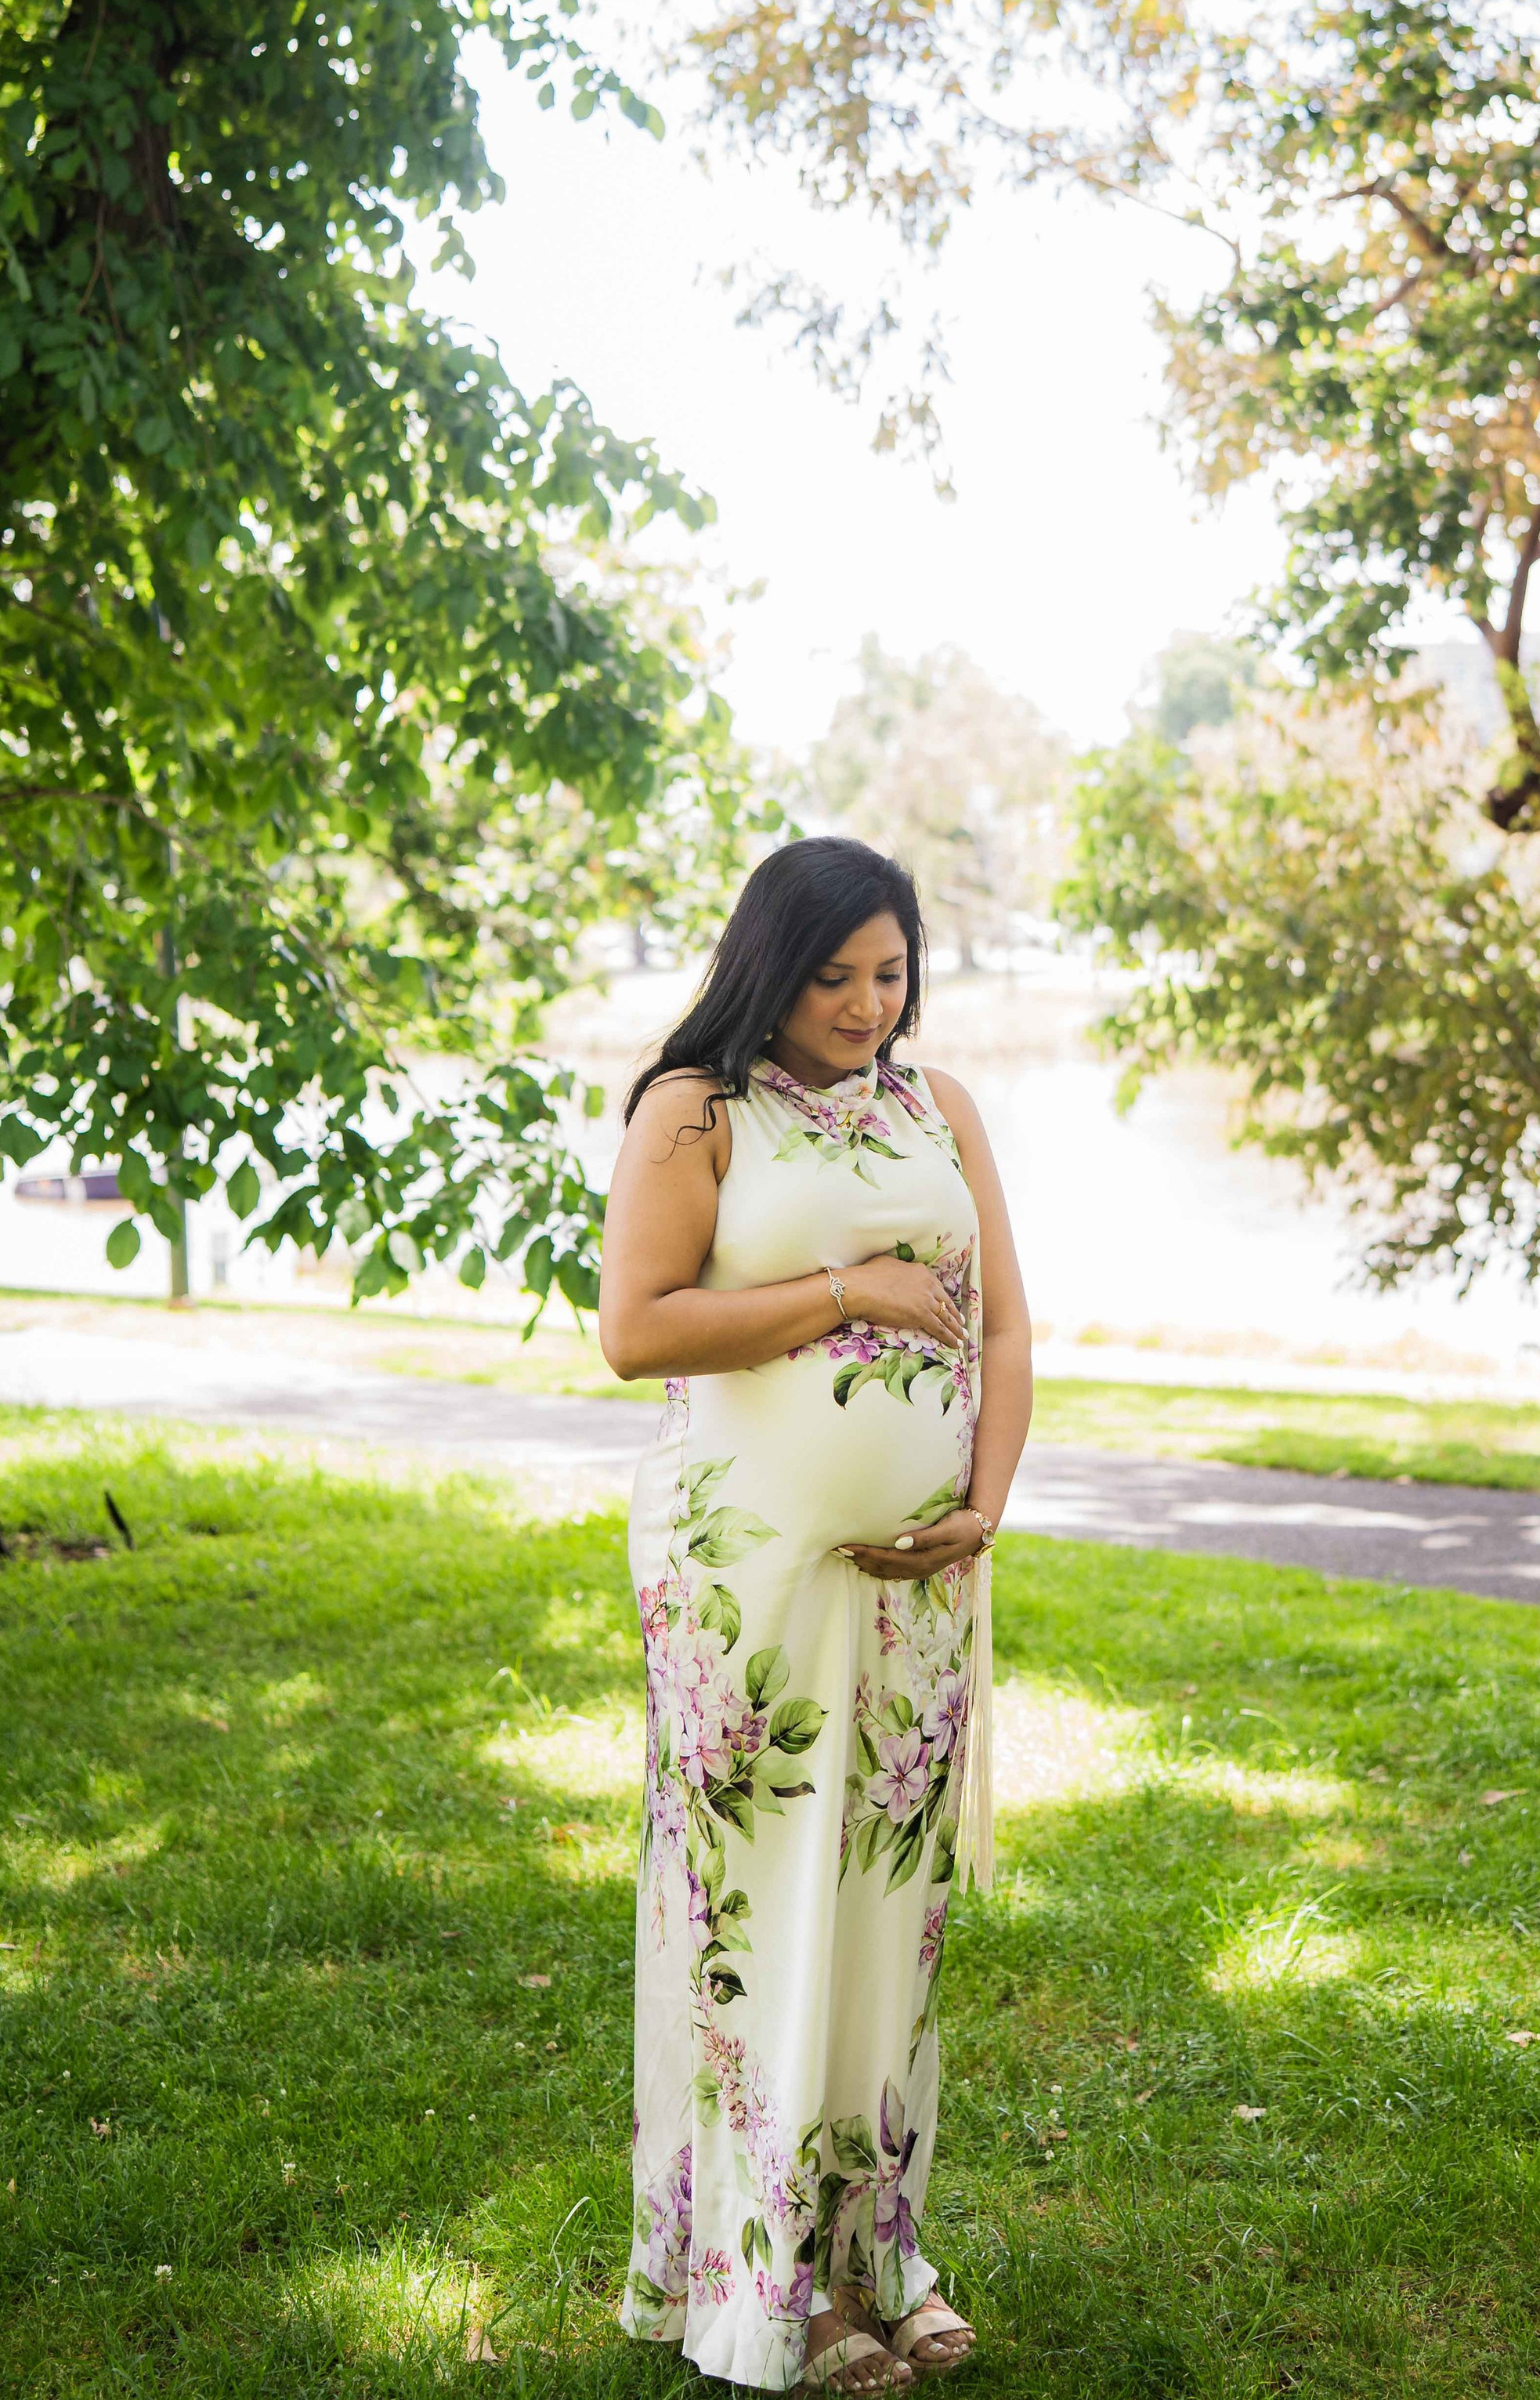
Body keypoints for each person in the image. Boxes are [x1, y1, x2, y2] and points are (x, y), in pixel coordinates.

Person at [600, 838, 1033, 2391]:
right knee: (760, 1917)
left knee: (883, 1925)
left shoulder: (941, 1107)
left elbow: (1002, 1323)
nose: (866, 1002)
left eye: (890, 970)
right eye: (835, 972)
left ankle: (878, 2254)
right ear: (766, 966)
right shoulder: (693, 1110)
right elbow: (636, 1330)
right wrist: (843, 1290)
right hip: (749, 1584)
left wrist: (981, 1505)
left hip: (919, 1588)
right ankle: (768, 2289)